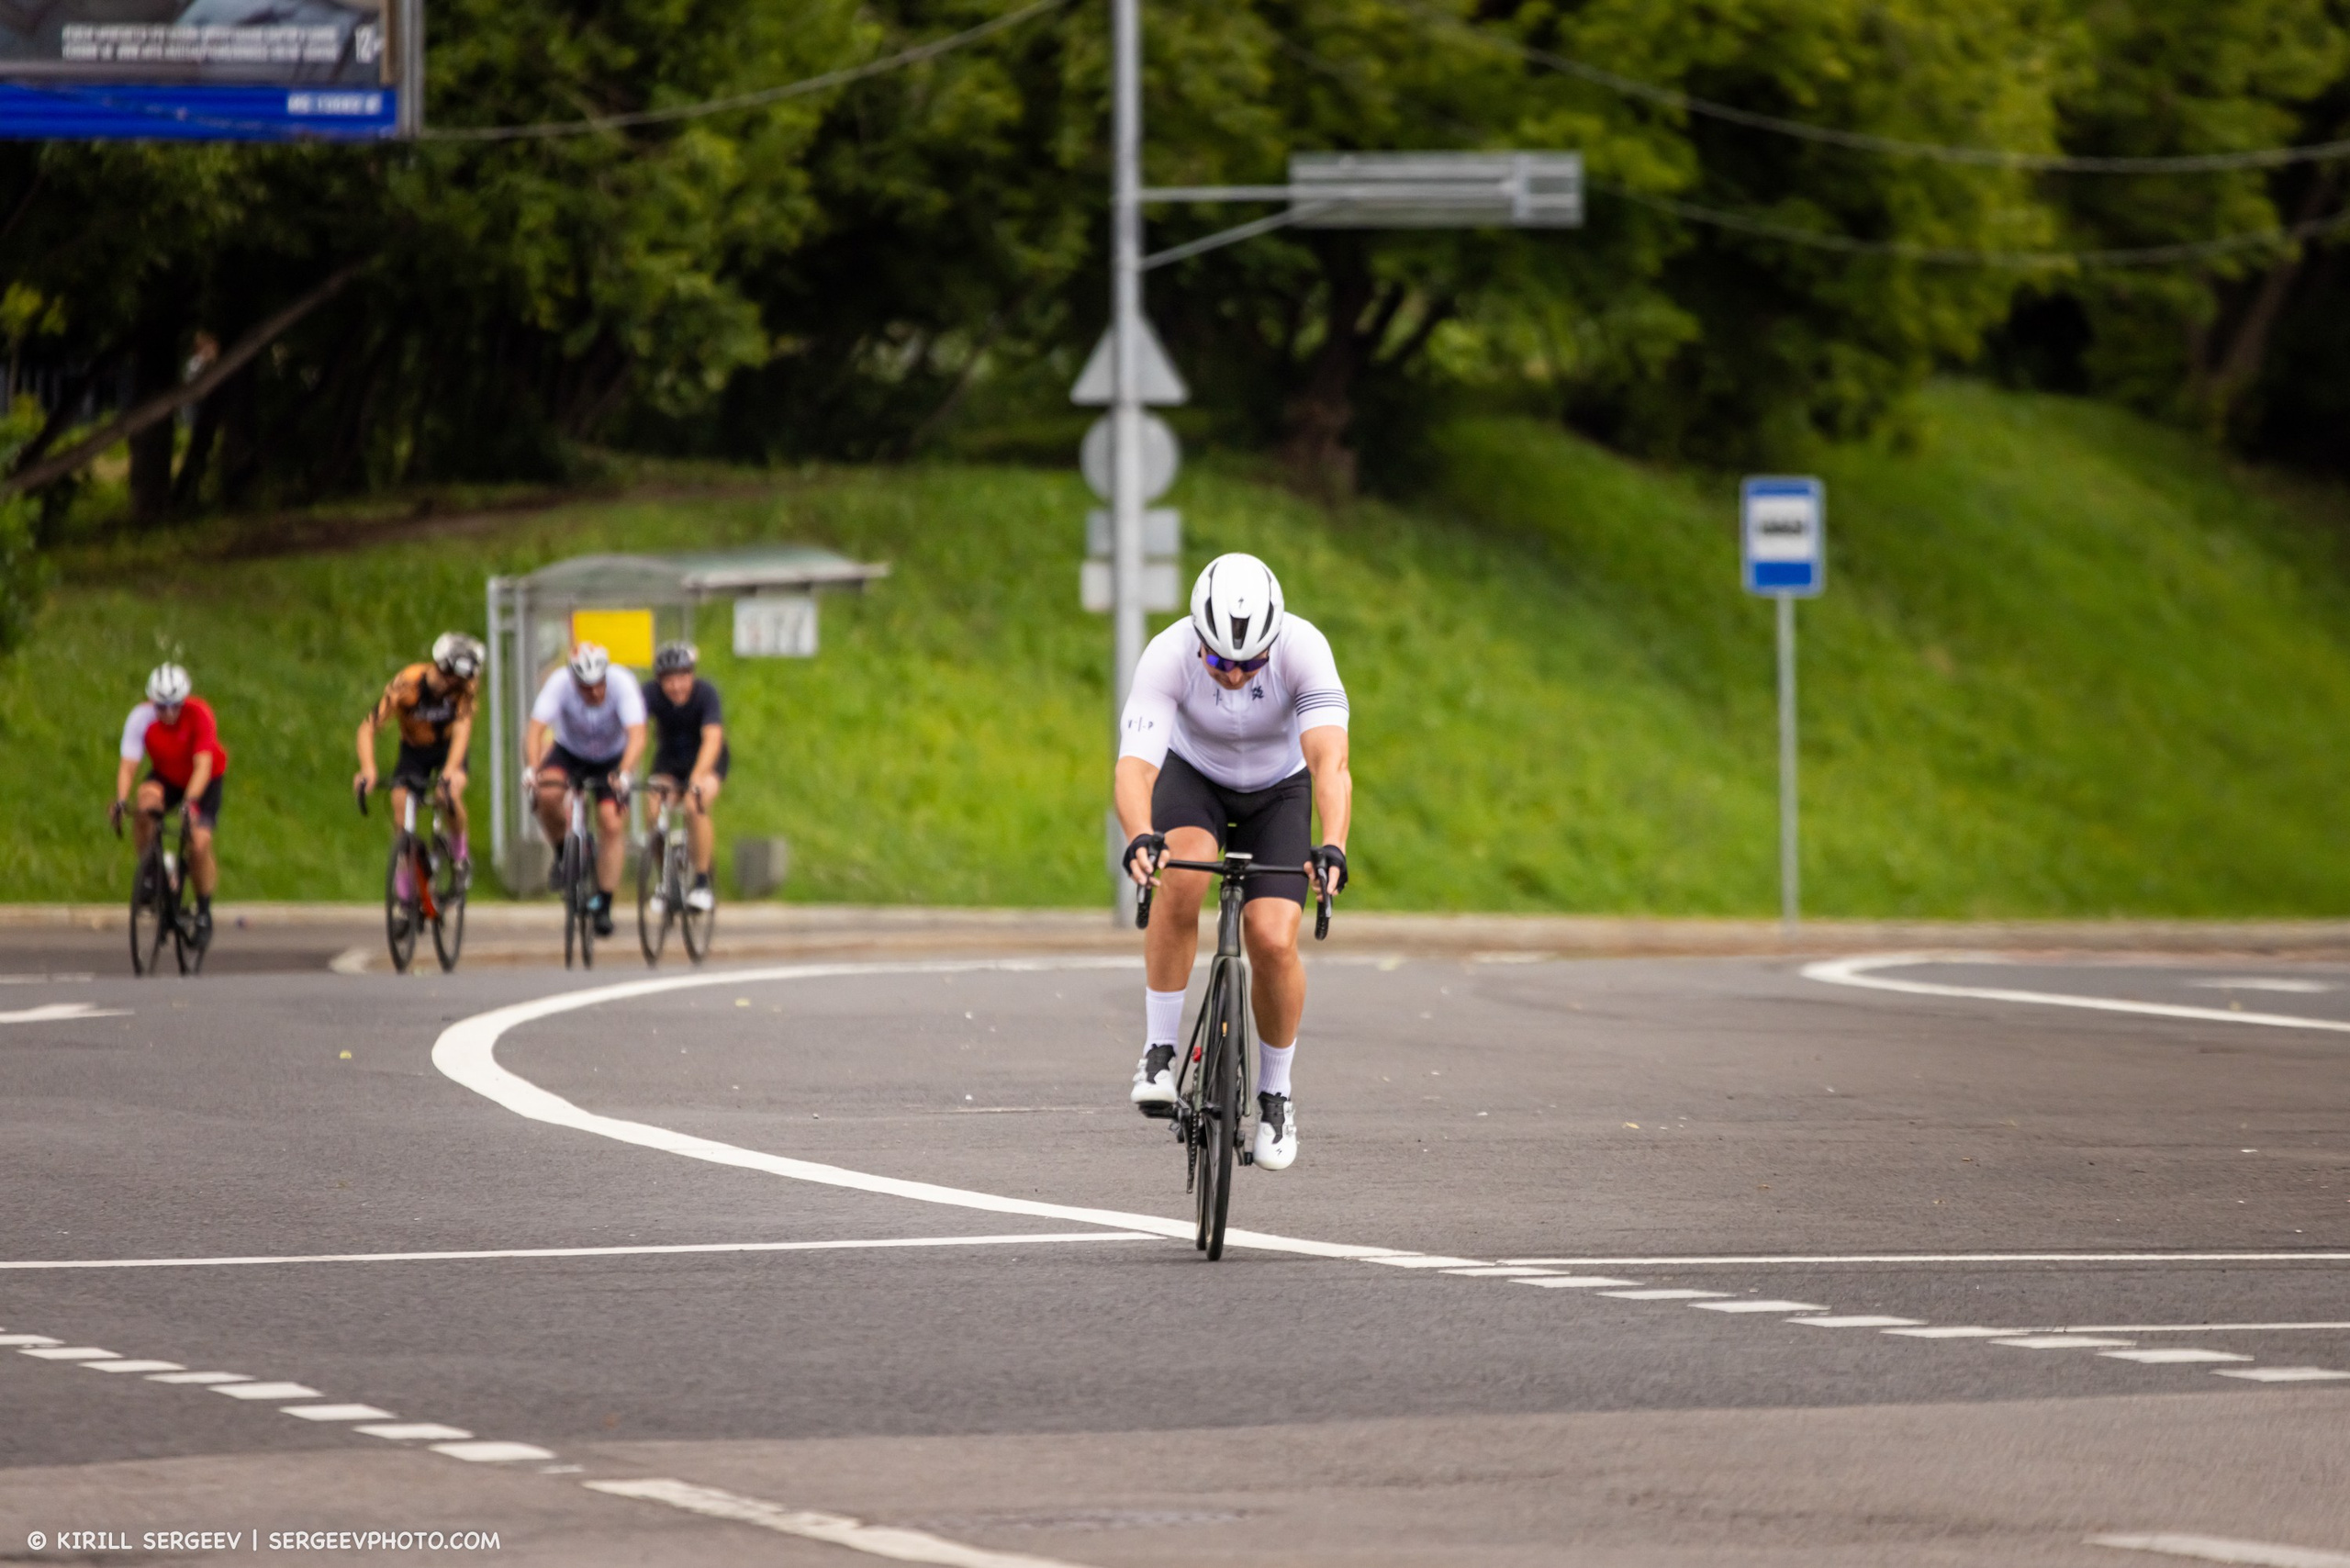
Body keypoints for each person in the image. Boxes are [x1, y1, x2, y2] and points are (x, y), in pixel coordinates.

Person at [1115, 553, 1351, 1172]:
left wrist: (1334, 845)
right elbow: (1135, 766)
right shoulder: (1166, 655)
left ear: (1274, 643)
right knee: (1183, 873)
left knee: (1272, 939)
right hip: (1194, 778)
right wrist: (1142, 835)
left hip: (1280, 791)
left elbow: (1330, 763)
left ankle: (1275, 1094)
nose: (1235, 676)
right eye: (1219, 662)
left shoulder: (1306, 650)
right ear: (1198, 641)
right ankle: (1161, 1051)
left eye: (1250, 664)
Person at [524, 643, 645, 936]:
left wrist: (625, 772)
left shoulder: (623, 683)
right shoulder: (559, 684)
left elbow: (637, 735)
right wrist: (531, 768)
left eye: (598, 685)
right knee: (546, 794)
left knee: (611, 821)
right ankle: (565, 852)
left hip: (611, 758)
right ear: (574, 681)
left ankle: (604, 903)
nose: (594, 693)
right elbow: (536, 729)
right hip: (570, 752)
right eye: (585, 687)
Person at [111, 662, 230, 948]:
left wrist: (190, 803)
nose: (167, 713)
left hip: (204, 778)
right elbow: (128, 767)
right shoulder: (141, 718)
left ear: (184, 700)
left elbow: (203, 765)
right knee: (144, 803)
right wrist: (120, 800)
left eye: (174, 706)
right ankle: (152, 873)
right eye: (160, 706)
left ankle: (203, 912)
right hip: (167, 775)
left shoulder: (199, 714)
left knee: (199, 843)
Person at [353, 633, 483, 889]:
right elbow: (367, 728)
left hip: (448, 749)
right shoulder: (408, 685)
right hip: (414, 750)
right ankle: (404, 892)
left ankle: (460, 856)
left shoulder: (464, 688)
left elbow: (462, 729)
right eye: (456, 678)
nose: (462, 684)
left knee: (449, 795)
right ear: (443, 668)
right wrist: (368, 768)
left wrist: (450, 771)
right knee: (400, 804)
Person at [643, 640, 728, 913]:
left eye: (683, 677)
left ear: (692, 675)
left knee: (695, 804)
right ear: (659, 681)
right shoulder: (650, 694)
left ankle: (702, 883)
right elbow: (635, 731)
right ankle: (664, 879)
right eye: (669, 680)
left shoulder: (706, 694)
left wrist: (697, 778)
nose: (676, 686)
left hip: (706, 760)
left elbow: (712, 739)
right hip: (670, 761)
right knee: (654, 811)